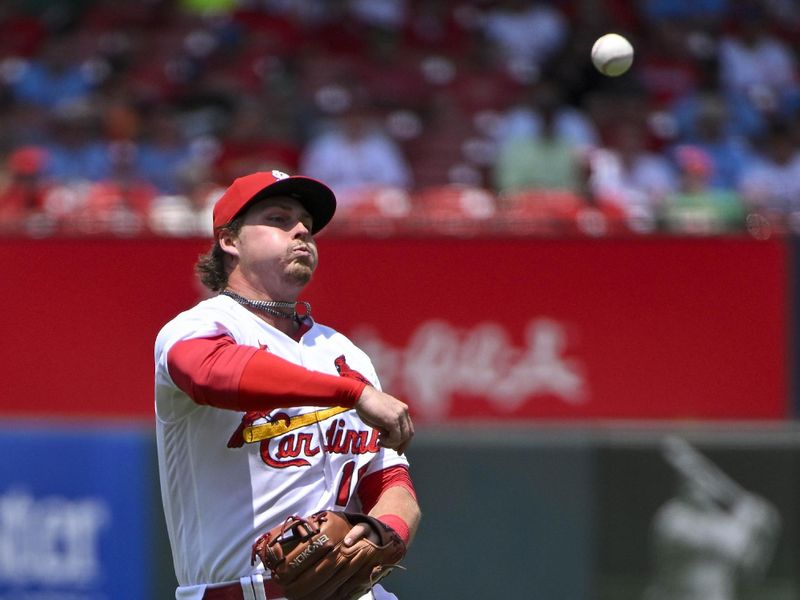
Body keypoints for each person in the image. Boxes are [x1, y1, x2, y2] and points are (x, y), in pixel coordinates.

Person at [154, 169, 420, 600]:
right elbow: (210, 374)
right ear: (229, 240)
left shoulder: (346, 353)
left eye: (307, 226)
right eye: (278, 219)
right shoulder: (201, 326)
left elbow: (391, 481)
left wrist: (382, 533)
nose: (301, 230)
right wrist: (352, 393)